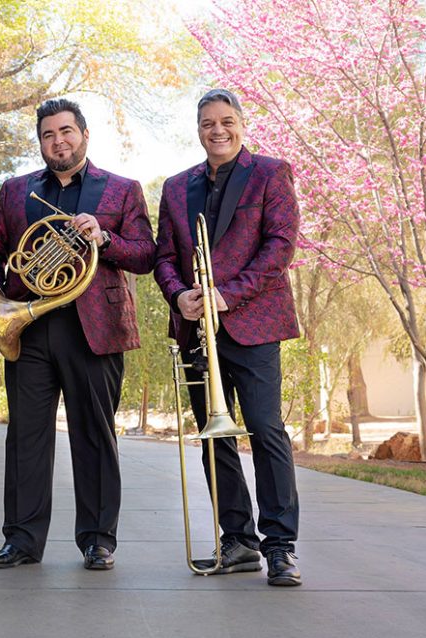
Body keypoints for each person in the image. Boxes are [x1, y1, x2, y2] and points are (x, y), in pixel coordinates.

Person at [0, 98, 155, 570]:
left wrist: (105, 238)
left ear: (84, 135)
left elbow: (144, 255)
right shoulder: (15, 191)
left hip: (94, 332)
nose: (59, 141)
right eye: (48, 134)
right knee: (26, 438)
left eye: (66, 131)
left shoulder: (121, 190)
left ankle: (98, 540)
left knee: (94, 436)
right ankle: (21, 541)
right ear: (39, 142)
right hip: (30, 327)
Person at [153, 88, 302, 586]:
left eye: (226, 121)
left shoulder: (270, 172)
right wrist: (179, 296)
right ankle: (237, 540)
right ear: (197, 129)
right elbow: (164, 258)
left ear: (241, 123)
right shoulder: (176, 187)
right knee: (214, 437)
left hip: (254, 325)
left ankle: (280, 545)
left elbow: (280, 245)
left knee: (265, 431)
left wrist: (225, 294)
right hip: (198, 328)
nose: (217, 130)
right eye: (207, 123)